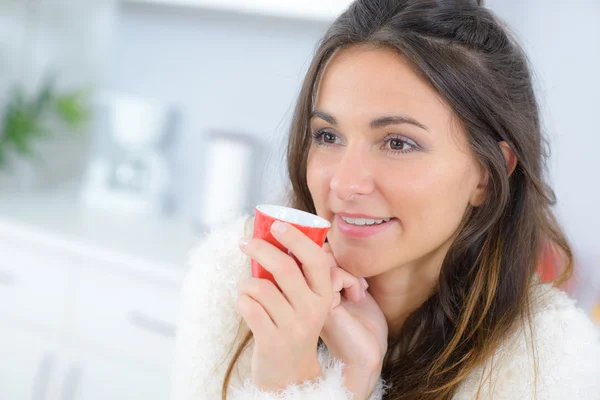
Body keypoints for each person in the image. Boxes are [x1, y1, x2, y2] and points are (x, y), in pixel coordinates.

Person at [170, 0, 600, 399]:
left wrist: (291, 384)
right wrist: (350, 380)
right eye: (328, 135)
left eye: (397, 143)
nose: (344, 182)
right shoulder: (231, 279)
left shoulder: (545, 368)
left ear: (487, 175)